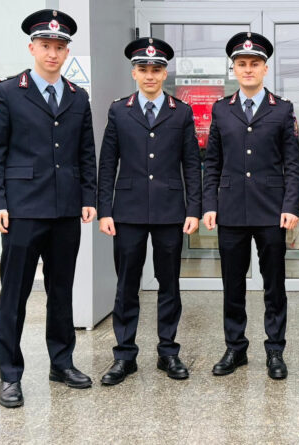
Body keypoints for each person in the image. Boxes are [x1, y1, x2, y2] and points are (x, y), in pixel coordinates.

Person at [0, 9, 97, 408]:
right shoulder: (8, 91)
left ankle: (61, 363)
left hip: (65, 210)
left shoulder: (78, 97)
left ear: (67, 52)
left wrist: (88, 197)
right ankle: (9, 375)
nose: (52, 53)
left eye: (59, 47)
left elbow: (86, 153)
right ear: (32, 48)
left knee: (61, 292)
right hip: (22, 210)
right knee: (14, 295)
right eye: (46, 45)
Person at [97, 37, 202, 384]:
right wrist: (104, 210)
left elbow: (192, 163)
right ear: (134, 73)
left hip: (170, 212)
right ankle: (124, 356)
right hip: (127, 213)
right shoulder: (119, 110)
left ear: (165, 73)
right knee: (126, 285)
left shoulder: (181, 111)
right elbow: (107, 162)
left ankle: (168, 352)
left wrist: (193, 209)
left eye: (156, 69)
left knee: (169, 284)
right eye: (143, 69)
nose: (150, 75)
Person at [203, 32, 299, 379]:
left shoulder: (282, 109)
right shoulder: (221, 109)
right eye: (242, 64)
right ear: (234, 69)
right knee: (233, 284)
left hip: (271, 210)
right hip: (231, 210)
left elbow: (293, 163)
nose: (248, 69)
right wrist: (209, 204)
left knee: (274, 285)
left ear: (265, 68)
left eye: (254, 63)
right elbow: (212, 161)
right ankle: (235, 348)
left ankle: (275, 350)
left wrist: (290, 205)